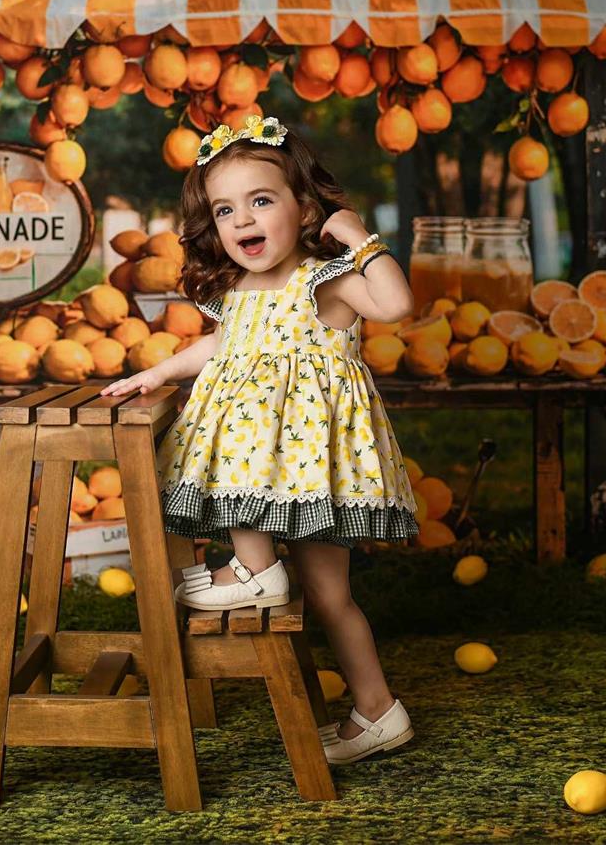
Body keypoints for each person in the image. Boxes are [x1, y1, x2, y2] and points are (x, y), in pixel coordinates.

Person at [99, 117, 419, 766]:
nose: (242, 218)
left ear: (303, 208)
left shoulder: (322, 280)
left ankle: (263, 579)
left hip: (308, 466)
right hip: (272, 467)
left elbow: (394, 305)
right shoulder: (241, 291)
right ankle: (371, 701)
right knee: (322, 584)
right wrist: (158, 371)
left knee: (330, 594)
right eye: (225, 208)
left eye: (261, 200)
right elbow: (222, 346)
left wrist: (358, 236)